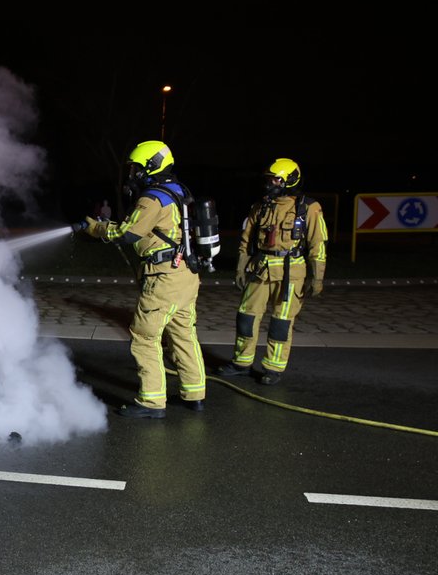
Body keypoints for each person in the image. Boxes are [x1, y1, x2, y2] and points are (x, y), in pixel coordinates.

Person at [74, 140, 207, 418]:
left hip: (164, 278)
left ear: (151, 166)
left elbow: (127, 234)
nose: (133, 174)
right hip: (185, 274)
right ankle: (194, 393)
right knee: (183, 334)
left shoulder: (153, 198)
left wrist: (96, 228)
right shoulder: (179, 192)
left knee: (145, 335)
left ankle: (151, 402)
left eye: (136, 168)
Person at [216, 158, 327, 385]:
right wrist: (240, 267)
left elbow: (318, 244)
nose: (270, 184)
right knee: (246, 317)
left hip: (291, 274)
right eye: (269, 179)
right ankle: (241, 362)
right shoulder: (260, 206)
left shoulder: (308, 208)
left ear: (290, 180)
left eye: (276, 179)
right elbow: (246, 240)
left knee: (281, 322)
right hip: (261, 269)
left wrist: (317, 277)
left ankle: (273, 368)